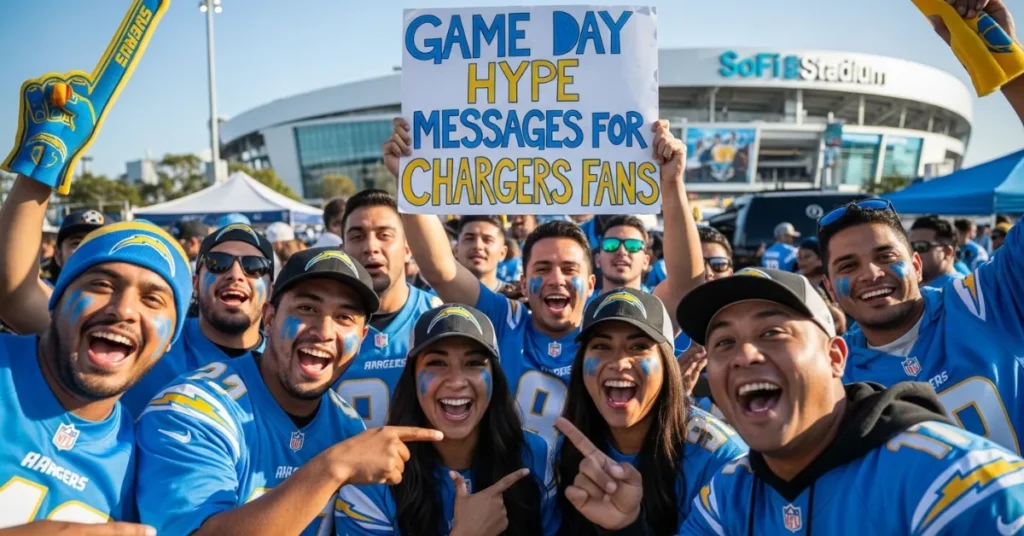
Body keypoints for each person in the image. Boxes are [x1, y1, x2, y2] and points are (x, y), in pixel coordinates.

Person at [386, 117, 703, 448]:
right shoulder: (504, 323)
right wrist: (409, 180)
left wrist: (672, 183)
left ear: (591, 283)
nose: (556, 279)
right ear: (523, 284)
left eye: (569, 269)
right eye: (542, 269)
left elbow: (684, 286)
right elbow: (441, 270)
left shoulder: (616, 332)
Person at [664, 267, 1024, 535]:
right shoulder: (729, 493)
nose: (744, 355)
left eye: (772, 332)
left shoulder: (954, 482)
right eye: (724, 343)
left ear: (836, 357)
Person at [135, 247, 444, 535]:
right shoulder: (192, 406)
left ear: (362, 337)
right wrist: (332, 468)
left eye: (344, 317)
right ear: (269, 319)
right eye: (307, 308)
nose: (324, 332)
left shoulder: (347, 425)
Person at [0, 219, 193, 533]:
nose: (124, 310)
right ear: (56, 300)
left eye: (152, 300)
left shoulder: (139, 466)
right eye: (102, 285)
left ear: (169, 340)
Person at [818, 196, 1024, 454]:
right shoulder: (835, 376)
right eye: (848, 266)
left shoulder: (981, 301)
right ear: (830, 289)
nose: (871, 274)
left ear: (916, 266)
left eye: (886, 256)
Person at [335, 304, 558, 535]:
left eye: (473, 363)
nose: (457, 381)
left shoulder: (536, 456)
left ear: (495, 378)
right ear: (412, 378)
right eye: (437, 363)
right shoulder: (371, 479)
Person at [555, 288, 746, 536]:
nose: (619, 362)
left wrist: (627, 527)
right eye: (601, 346)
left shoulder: (721, 460)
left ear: (667, 365)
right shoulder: (570, 446)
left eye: (638, 347)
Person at [119, 223, 276, 413]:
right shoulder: (154, 344)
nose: (235, 275)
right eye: (218, 263)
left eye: (254, 266)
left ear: (270, 291)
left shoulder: (286, 363)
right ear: (195, 283)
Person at [337, 189, 441, 427]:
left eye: (384, 235)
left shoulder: (436, 318)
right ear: (342, 251)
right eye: (357, 236)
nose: (371, 247)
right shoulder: (325, 327)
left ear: (407, 249)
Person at [40, 210, 108, 286]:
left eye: (99, 243)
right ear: (58, 255)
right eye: (77, 243)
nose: (88, 250)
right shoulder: (42, 290)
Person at [591, 215, 653, 299]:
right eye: (611, 245)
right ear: (598, 260)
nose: (621, 251)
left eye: (632, 246)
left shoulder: (661, 303)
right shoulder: (581, 304)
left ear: (646, 261)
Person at [454, 216, 513, 295]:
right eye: (469, 239)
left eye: (487, 240)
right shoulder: (438, 298)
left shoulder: (515, 298)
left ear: (502, 253)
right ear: (456, 250)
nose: (478, 246)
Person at [910, 215, 964, 288]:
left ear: (948, 252)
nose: (913, 253)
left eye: (921, 246)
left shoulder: (959, 289)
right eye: (909, 247)